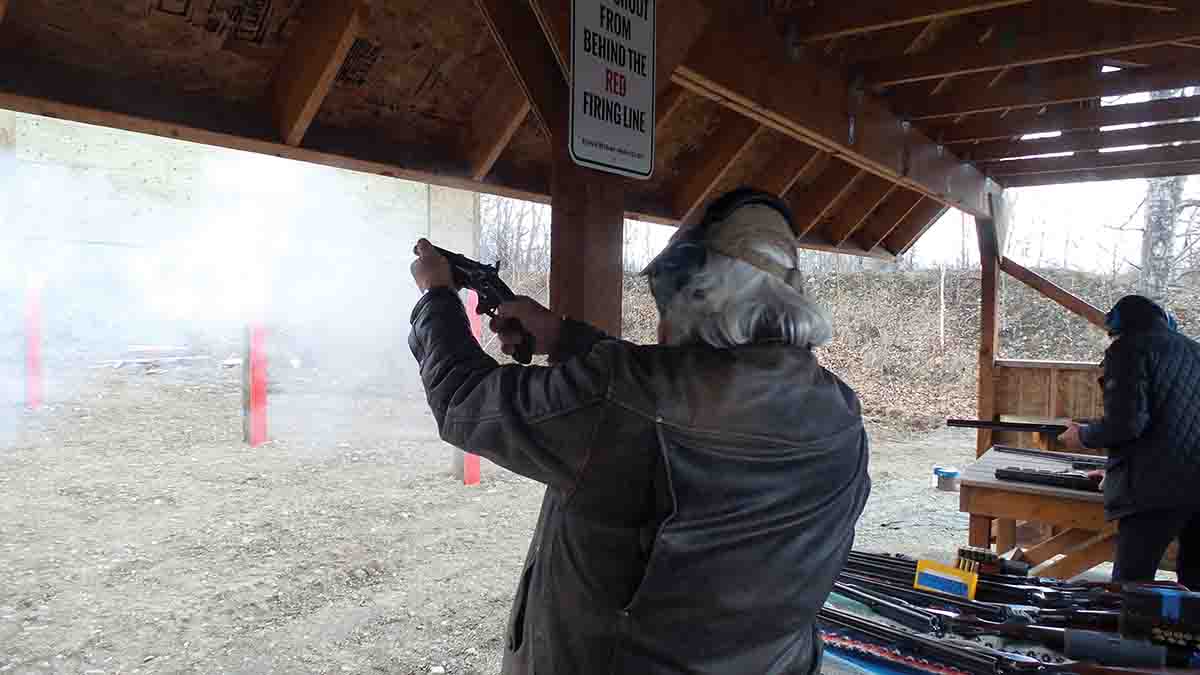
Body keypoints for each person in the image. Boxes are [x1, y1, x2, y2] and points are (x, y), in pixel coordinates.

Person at [407, 188, 870, 674]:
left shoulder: (633, 400)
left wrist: (437, 296)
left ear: (699, 299)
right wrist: (563, 336)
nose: (662, 323)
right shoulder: (841, 414)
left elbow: (464, 399)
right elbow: (661, 392)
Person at [1059, 294, 1200, 587]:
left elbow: (1126, 424)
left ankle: (1131, 634)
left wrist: (1082, 436)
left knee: (1130, 589)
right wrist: (1116, 470)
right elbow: (1173, 423)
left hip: (1153, 492)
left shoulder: (1128, 350)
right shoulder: (1195, 351)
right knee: (1195, 591)